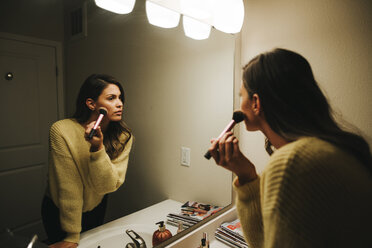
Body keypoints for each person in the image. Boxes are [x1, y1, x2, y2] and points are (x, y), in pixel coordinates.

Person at [208, 48, 372, 248]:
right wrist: (247, 176)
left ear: (256, 103)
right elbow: (269, 241)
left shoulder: (293, 162)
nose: (239, 105)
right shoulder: (331, 149)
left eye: (241, 95)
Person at [41, 74, 133, 248]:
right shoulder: (61, 130)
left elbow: (107, 186)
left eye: (120, 98)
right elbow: (69, 185)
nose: (120, 103)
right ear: (91, 104)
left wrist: (97, 149)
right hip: (61, 210)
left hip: (96, 206)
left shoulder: (123, 137)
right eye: (111, 98)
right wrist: (72, 234)